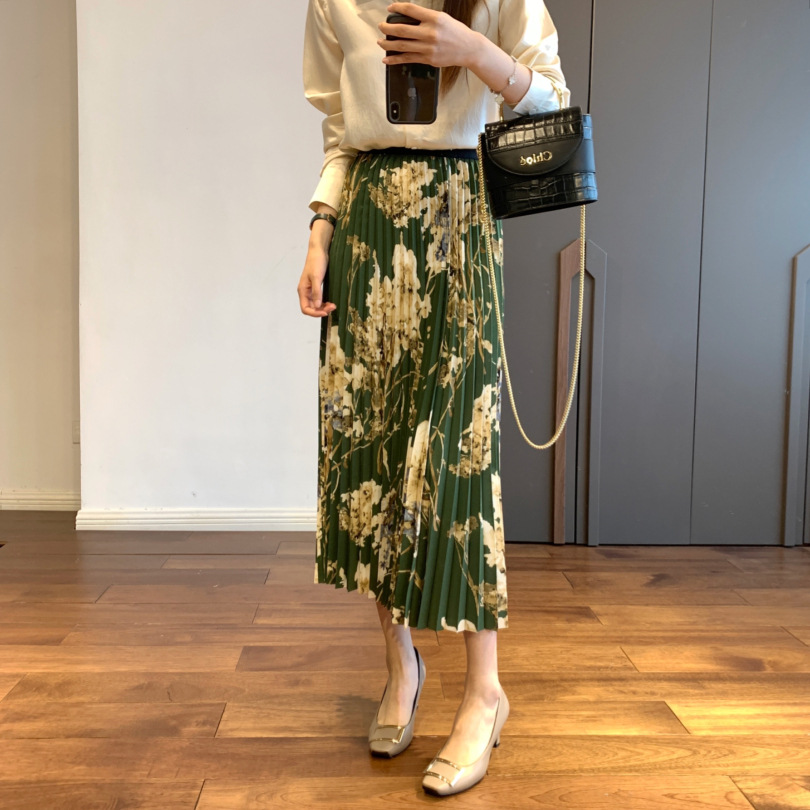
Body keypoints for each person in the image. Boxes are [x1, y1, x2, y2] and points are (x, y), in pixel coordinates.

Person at [298, 0, 569, 796]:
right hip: (366, 227)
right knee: (374, 451)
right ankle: (401, 664)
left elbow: (549, 99)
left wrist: (474, 50)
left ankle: (485, 692)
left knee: (460, 456)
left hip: (463, 216)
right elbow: (342, 134)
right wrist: (319, 232)